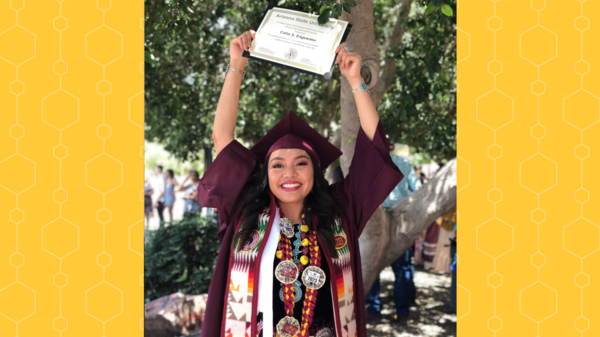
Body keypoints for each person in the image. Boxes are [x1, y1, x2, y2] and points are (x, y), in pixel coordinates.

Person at [197, 30, 404, 337]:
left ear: (316, 172)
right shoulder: (245, 212)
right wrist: (236, 65)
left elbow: (376, 148)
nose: (289, 173)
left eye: (301, 164)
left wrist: (355, 81)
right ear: (265, 175)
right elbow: (222, 139)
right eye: (277, 165)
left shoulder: (340, 212)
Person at [365, 141, 421, 325]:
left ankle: (374, 312)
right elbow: (418, 190)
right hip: (400, 219)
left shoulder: (369, 164)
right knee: (402, 268)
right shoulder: (405, 164)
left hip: (376, 219)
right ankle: (402, 313)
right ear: (391, 146)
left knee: (374, 267)